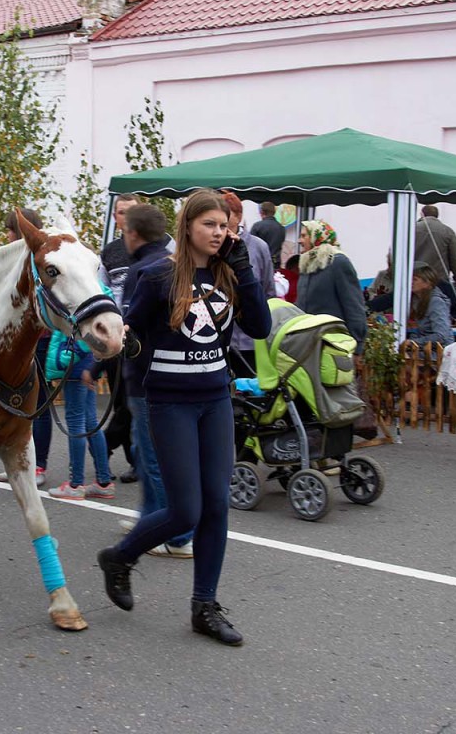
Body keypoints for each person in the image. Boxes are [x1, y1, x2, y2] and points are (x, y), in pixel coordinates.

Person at [96, 188, 270, 646]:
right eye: (209, 224)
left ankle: (205, 606)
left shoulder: (231, 275)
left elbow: (261, 327)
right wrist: (118, 344)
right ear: (188, 227)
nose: (218, 232)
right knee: (185, 509)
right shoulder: (157, 276)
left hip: (215, 401)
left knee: (216, 506)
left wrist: (244, 269)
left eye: (224, 225)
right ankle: (120, 556)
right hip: (168, 401)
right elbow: (131, 331)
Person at [118, 202, 193, 558]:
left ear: (133, 234)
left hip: (146, 378)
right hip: (173, 374)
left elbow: (129, 329)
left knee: (153, 458)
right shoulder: (175, 265)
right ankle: (150, 519)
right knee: (152, 455)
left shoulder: (143, 272)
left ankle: (175, 535)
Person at [0, 207, 50, 488]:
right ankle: (22, 460)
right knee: (22, 407)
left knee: (37, 406)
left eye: (9, 230)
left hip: (37, 340)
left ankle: (38, 465)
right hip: (24, 340)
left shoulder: (33, 258)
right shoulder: (19, 258)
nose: (6, 236)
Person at [44, 304, 117, 501]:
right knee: (91, 422)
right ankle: (103, 481)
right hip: (91, 359)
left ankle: (76, 483)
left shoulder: (75, 295)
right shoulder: (97, 293)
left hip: (75, 358)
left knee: (76, 422)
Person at [100, 194, 140, 481]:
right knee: (120, 402)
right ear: (115, 217)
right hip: (114, 335)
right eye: (121, 212)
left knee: (131, 402)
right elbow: (101, 291)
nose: (124, 217)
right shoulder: (110, 252)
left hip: (140, 336)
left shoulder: (149, 248)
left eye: (130, 212)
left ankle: (105, 444)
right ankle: (134, 461)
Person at [223, 191, 275, 376]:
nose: (219, 226)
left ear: (238, 217)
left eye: (225, 217)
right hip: (221, 344)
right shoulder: (212, 248)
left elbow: (269, 292)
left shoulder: (258, 247)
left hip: (250, 343)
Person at [295, 219, 366, 349]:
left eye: (304, 236)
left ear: (316, 237)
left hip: (332, 343)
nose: (299, 240)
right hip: (307, 343)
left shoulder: (338, 262)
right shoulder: (307, 264)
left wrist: (358, 344)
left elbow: (354, 306)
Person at [405, 262, 453, 346]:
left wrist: (413, 343)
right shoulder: (417, 300)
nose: (411, 282)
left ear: (427, 282)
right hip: (425, 349)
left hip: (438, 352)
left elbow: (441, 336)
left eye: (415, 279)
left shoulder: (436, 302)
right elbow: (421, 331)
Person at [249, 200, 285, 269]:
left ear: (262, 212)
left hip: (260, 264)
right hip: (276, 263)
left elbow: (251, 246)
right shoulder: (281, 228)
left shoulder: (257, 226)